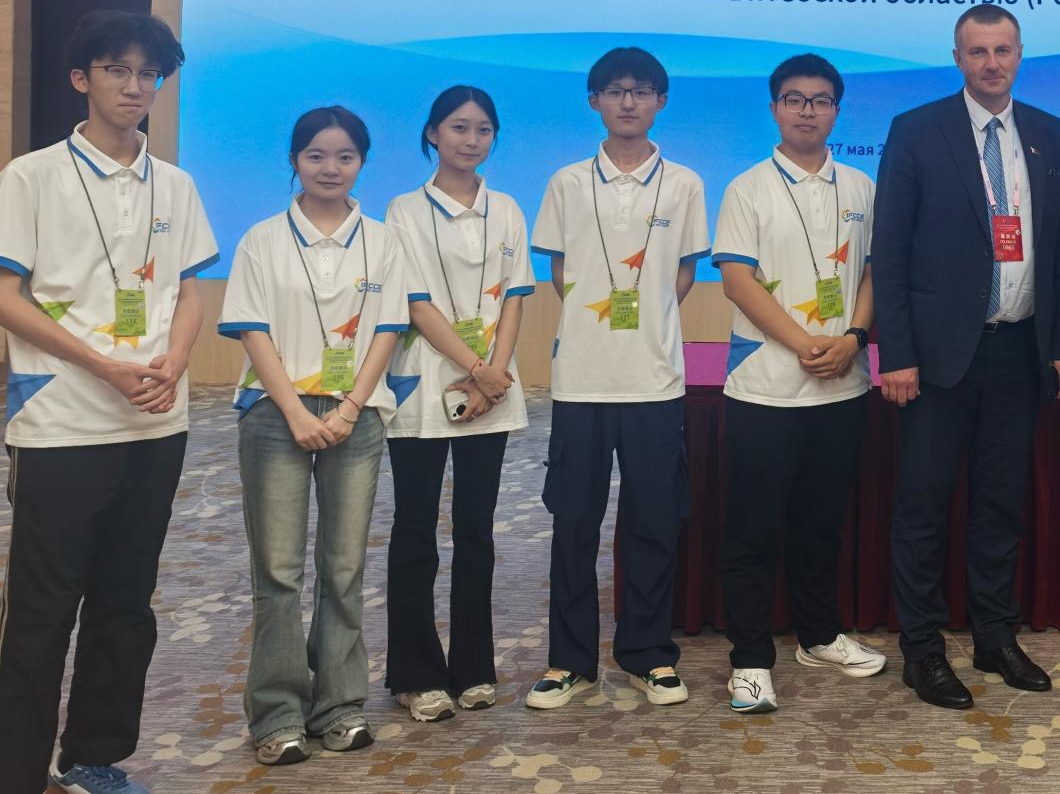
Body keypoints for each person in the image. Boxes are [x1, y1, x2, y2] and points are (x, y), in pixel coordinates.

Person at [0, 11, 217, 794]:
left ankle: (94, 758)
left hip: (156, 420)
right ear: (80, 78)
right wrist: (100, 364)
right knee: (42, 608)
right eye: (117, 69)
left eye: (148, 72)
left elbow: (190, 289)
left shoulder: (176, 183)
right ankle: (15, 770)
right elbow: (7, 295)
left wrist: (177, 360)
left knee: (126, 600)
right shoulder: (30, 176)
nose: (134, 85)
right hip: (61, 420)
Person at [872, 4, 1060, 711]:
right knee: (923, 506)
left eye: (1003, 50)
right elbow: (889, 251)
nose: (991, 63)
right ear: (958, 57)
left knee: (1000, 503)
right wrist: (896, 353)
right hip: (936, 360)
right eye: (977, 51)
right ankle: (923, 649)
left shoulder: (1048, 133)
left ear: (1020, 54)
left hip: (1019, 351)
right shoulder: (917, 129)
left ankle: (995, 635)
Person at [218, 106, 411, 766]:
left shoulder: (383, 240)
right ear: (294, 160)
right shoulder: (262, 239)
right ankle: (277, 714)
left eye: (345, 156)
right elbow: (252, 329)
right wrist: (297, 412)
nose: (331, 168)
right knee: (278, 571)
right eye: (316, 155)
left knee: (344, 567)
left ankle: (339, 706)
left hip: (357, 414)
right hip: (276, 414)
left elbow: (388, 330)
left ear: (362, 162)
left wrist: (351, 406)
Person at [526, 47, 709, 710]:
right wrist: (596, 324)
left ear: (661, 100)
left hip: (655, 380)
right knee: (573, 523)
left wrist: (646, 320)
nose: (628, 101)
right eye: (615, 90)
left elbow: (683, 273)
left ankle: (648, 653)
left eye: (642, 90)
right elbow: (559, 272)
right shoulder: (567, 182)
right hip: (581, 379)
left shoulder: (684, 183)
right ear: (594, 101)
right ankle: (568, 661)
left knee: (653, 522)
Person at [711, 53, 887, 714]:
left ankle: (819, 635)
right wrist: (804, 342)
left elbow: (872, 273)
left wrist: (854, 337)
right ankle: (751, 661)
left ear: (837, 110)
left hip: (843, 385)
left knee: (821, 525)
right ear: (774, 108)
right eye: (794, 99)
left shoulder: (862, 187)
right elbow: (738, 282)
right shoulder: (747, 188)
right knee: (753, 530)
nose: (807, 110)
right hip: (765, 387)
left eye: (819, 100)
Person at [381, 86, 532, 722]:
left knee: (476, 531)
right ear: (432, 134)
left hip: (491, 389)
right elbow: (414, 303)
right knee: (416, 530)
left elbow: (516, 296)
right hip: (423, 385)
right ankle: (415, 673)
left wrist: (495, 374)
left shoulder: (508, 209)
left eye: (483, 129)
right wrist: (476, 367)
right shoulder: (403, 210)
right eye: (458, 127)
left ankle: (474, 668)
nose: (471, 140)